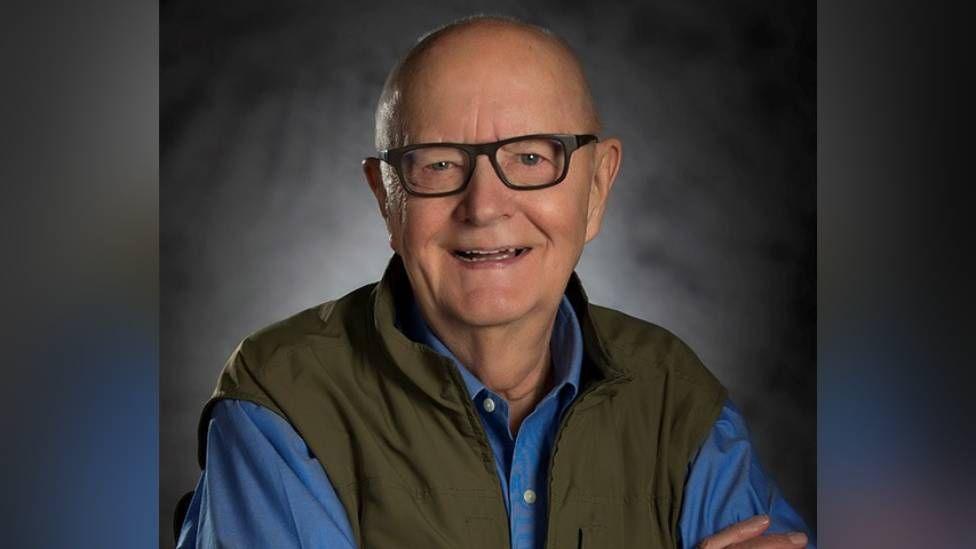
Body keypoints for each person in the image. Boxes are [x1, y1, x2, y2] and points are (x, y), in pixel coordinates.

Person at [176, 15, 814, 549]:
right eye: (438, 163)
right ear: (386, 198)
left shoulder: (676, 396)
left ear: (596, 189)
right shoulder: (279, 407)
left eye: (532, 158)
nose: (484, 205)